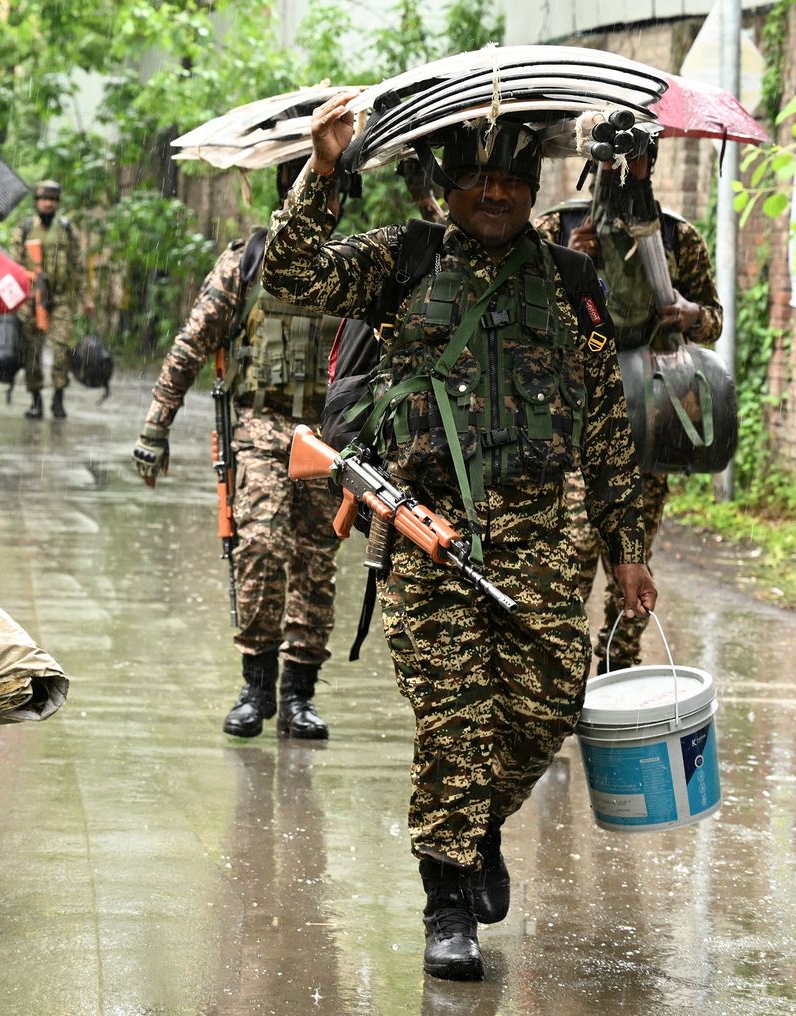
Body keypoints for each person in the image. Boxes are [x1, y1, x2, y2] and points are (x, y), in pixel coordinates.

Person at [261, 92, 658, 981]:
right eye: (479, 175)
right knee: (454, 717)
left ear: (533, 187)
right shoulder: (400, 259)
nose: (496, 192)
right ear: (446, 183)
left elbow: (603, 425)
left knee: (546, 706)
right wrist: (325, 172)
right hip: (429, 529)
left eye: (513, 177)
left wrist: (626, 547)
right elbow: (291, 279)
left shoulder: (571, 281)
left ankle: (474, 830)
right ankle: (447, 906)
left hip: (543, 536)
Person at [132, 157, 342, 742]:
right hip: (259, 426)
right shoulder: (246, 260)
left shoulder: (352, 266)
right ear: (287, 192)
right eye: (311, 189)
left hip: (325, 436)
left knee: (316, 564)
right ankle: (256, 685)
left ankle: (299, 694)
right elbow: (193, 342)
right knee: (261, 547)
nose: (324, 204)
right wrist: (156, 425)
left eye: (332, 192)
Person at [533, 143, 720, 673]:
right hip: (572, 428)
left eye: (635, 158)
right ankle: (556, 688)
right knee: (568, 562)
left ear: (651, 164)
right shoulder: (556, 229)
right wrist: (571, 263)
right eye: (613, 157)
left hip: (649, 425)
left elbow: (714, 318)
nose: (623, 169)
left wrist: (689, 314)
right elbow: (524, 319)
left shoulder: (677, 237)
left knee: (632, 569)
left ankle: (617, 680)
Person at [16, 180, 89, 420]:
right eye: (43, 199)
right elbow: (15, 266)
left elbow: (79, 266)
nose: (48, 204)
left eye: (52, 200)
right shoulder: (26, 228)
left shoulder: (67, 229)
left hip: (61, 299)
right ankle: (35, 398)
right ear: (37, 202)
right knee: (32, 351)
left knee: (60, 349)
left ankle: (58, 397)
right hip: (32, 299)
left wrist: (85, 297)